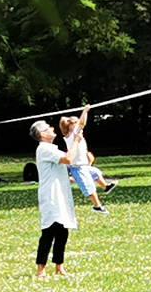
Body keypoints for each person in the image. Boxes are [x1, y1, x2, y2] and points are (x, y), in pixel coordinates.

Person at [32, 119, 77, 277]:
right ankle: (41, 269)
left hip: (60, 194)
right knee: (49, 231)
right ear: (43, 134)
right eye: (48, 128)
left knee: (63, 231)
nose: (52, 128)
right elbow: (68, 159)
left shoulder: (50, 148)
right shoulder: (44, 148)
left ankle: (59, 267)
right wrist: (76, 141)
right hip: (51, 196)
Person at [60, 105, 108, 214]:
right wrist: (85, 110)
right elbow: (82, 123)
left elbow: (81, 125)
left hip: (83, 165)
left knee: (96, 173)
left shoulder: (76, 134)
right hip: (78, 167)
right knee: (89, 186)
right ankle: (97, 206)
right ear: (69, 126)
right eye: (75, 123)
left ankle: (106, 186)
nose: (78, 124)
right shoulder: (71, 135)